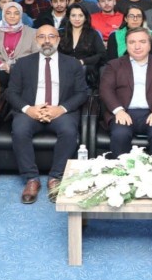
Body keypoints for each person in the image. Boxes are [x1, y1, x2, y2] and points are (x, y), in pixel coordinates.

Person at [6, 24, 90, 203]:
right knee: (20, 129)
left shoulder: (72, 63)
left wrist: (60, 109)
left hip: (60, 111)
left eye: (51, 36)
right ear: (36, 40)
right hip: (31, 110)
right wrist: (29, 109)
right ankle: (31, 179)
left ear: (58, 40)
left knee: (69, 130)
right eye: (42, 37)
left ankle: (55, 178)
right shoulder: (23, 63)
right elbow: (11, 92)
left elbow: (82, 93)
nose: (46, 41)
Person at [99, 27, 152, 158]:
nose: (137, 46)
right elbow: (105, 89)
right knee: (120, 134)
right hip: (123, 112)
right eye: (132, 42)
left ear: (150, 45)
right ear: (126, 45)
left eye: (142, 42)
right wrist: (118, 111)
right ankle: (120, 169)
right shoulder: (114, 65)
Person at [0, 2, 39, 87]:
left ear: (21, 15)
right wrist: (2, 64)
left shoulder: (33, 33)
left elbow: (36, 55)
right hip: (1, 71)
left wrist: (15, 67)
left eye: (16, 13)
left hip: (25, 70)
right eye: (8, 13)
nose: (12, 16)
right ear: (3, 15)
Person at [58, 4, 106, 88]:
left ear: (85, 17)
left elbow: (102, 54)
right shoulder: (61, 34)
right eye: (73, 15)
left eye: (80, 15)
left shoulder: (93, 34)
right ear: (68, 17)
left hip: (86, 70)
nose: (77, 19)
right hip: (64, 68)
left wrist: (83, 61)